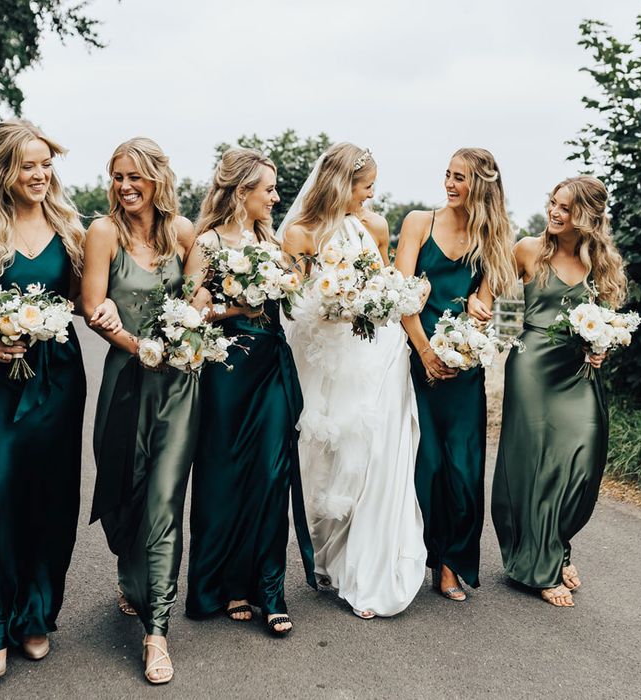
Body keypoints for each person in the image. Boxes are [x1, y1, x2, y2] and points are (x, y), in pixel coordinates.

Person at [0, 119, 114, 678]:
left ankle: (36, 615)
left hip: (58, 380)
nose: (40, 174)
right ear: (5, 171)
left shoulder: (71, 229)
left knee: (51, 498)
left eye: (46, 164)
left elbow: (86, 301)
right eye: (28, 165)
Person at [279, 143, 426, 618]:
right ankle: (331, 558)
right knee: (329, 459)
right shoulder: (300, 234)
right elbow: (292, 304)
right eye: (366, 186)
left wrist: (400, 295)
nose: (372, 195)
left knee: (377, 458)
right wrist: (331, 304)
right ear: (343, 184)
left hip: (379, 356)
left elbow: (383, 285)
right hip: (327, 358)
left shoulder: (375, 226)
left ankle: (368, 564)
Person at [469, 176, 626, 607]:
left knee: (582, 460)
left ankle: (555, 542)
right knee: (537, 464)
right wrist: (491, 326)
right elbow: (499, 299)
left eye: (566, 208)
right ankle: (540, 565)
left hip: (578, 373)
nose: (556, 213)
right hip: (533, 366)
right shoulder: (528, 250)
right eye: (554, 204)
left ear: (588, 218)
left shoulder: (601, 264)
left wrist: (601, 350)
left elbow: (606, 324)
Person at [183, 147, 316, 635]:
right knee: (222, 477)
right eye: (269, 189)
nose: (277, 197)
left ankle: (270, 590)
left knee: (271, 474)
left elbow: (293, 296)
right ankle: (222, 586)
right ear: (242, 192)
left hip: (271, 369)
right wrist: (233, 308)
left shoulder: (271, 240)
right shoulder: (208, 242)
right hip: (227, 370)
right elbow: (192, 312)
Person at [82, 137, 200, 683]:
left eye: (136, 177)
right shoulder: (104, 233)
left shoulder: (181, 233)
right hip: (126, 382)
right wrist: (133, 342)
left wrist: (187, 337)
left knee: (164, 501)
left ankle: (157, 633)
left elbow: (199, 297)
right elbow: (92, 306)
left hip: (179, 386)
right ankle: (133, 578)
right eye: (118, 177)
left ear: (157, 179)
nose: (126, 187)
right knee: (124, 497)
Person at [395, 148, 517, 601]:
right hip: (416, 360)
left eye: (460, 178)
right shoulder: (417, 223)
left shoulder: (493, 238)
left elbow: (485, 309)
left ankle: (452, 563)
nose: (449, 183)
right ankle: (425, 561)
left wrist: (476, 311)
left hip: (464, 367)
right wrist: (424, 352)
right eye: (447, 174)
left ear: (480, 186)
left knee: (464, 472)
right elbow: (400, 295)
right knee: (425, 466)